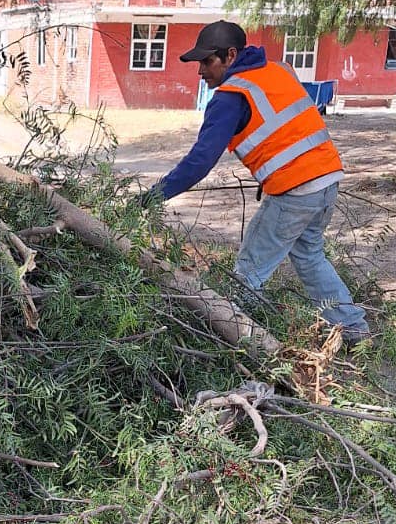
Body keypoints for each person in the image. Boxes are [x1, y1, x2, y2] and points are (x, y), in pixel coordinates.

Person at [142, 20, 370, 344]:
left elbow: (200, 161)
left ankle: (233, 342)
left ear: (230, 55)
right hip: (327, 179)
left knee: (249, 271)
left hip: (296, 189)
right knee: (309, 257)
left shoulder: (231, 96)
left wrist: (152, 196)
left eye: (207, 61)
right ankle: (354, 331)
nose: (200, 72)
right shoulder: (278, 71)